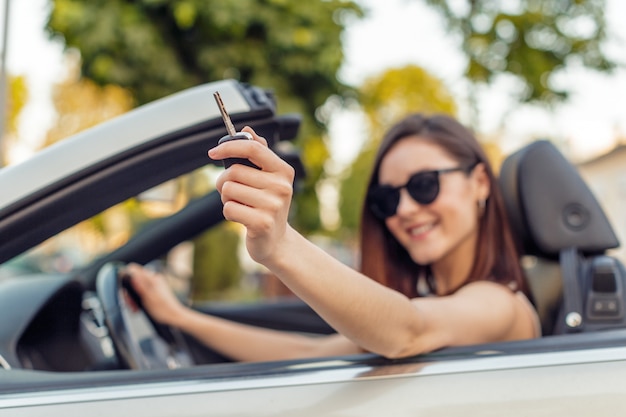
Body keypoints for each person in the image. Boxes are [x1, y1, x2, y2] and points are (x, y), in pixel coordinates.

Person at [127, 113, 540, 362]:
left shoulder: (501, 305)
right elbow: (306, 354)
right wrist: (180, 318)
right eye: (386, 198)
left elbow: (409, 331)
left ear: (481, 182)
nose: (405, 210)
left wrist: (281, 245)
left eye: (425, 185)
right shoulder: (429, 296)